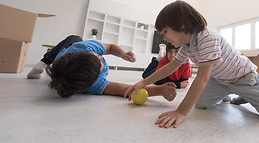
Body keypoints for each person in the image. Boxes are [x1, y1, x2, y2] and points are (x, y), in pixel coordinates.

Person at [125, 0, 259, 128]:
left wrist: (181, 111)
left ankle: (247, 96)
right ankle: (227, 95)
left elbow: (202, 79)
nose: (165, 37)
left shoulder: (207, 37)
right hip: (221, 81)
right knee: (200, 104)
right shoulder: (186, 46)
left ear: (181, 25)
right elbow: (170, 66)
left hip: (244, 78)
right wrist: (143, 82)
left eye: (165, 32)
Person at [27, 35, 176, 101]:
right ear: (94, 79)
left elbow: (110, 47)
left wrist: (123, 55)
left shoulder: (83, 47)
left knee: (74, 38)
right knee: (72, 40)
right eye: (100, 64)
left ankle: (43, 62)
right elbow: (125, 89)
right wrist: (159, 90)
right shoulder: (93, 85)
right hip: (64, 60)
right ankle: (44, 62)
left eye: (95, 55)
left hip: (66, 51)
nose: (101, 57)